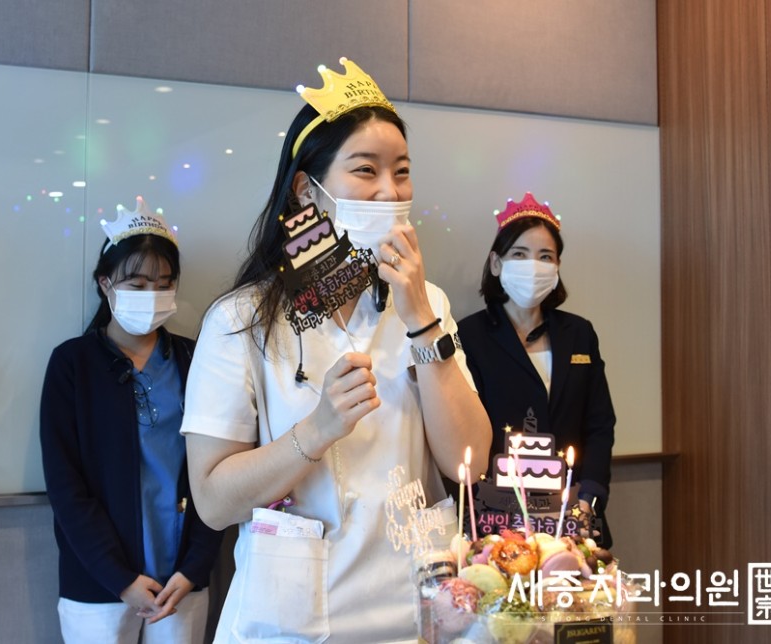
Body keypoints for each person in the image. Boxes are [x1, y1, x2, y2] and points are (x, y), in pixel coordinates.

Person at [181, 58, 491, 643]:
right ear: (308, 190)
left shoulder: (427, 304)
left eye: (402, 172)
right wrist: (317, 430)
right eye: (366, 169)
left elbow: (467, 462)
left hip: (416, 612)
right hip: (292, 624)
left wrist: (422, 322)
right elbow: (214, 502)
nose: (390, 191)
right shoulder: (241, 320)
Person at [39, 197, 222, 644]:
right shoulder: (72, 364)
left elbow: (218, 471)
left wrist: (195, 567)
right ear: (106, 284)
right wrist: (119, 578)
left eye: (164, 283)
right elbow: (66, 487)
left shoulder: (195, 359)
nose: (151, 295)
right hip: (98, 583)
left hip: (181, 581)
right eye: (137, 284)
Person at [457, 193, 615, 546]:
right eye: (519, 254)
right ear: (496, 263)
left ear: (557, 268)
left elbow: (600, 424)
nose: (533, 265)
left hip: (573, 514)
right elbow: (463, 430)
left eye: (545, 256)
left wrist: (588, 497)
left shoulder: (579, 333)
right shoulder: (469, 336)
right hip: (499, 521)